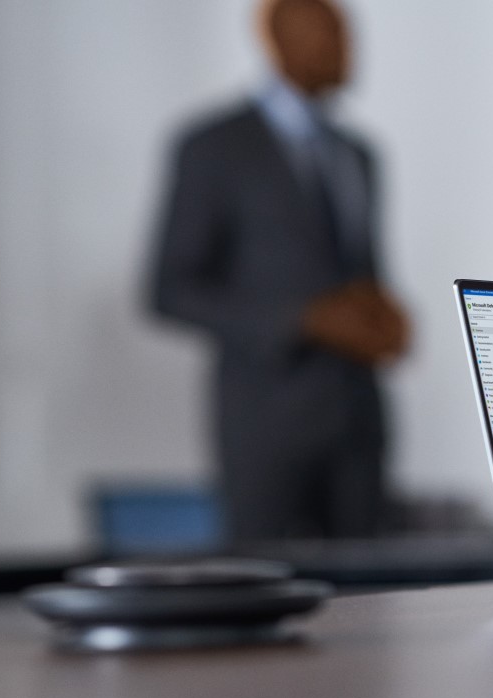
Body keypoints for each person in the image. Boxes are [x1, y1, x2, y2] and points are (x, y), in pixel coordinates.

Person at [150, 0, 408, 543]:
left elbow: (358, 267)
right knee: (261, 592)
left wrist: (381, 315)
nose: (346, 49)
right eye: (329, 33)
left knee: (375, 597)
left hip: (358, 423)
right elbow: (169, 288)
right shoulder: (215, 147)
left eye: (347, 33)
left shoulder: (358, 155)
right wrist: (302, 320)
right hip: (267, 420)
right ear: (277, 39)